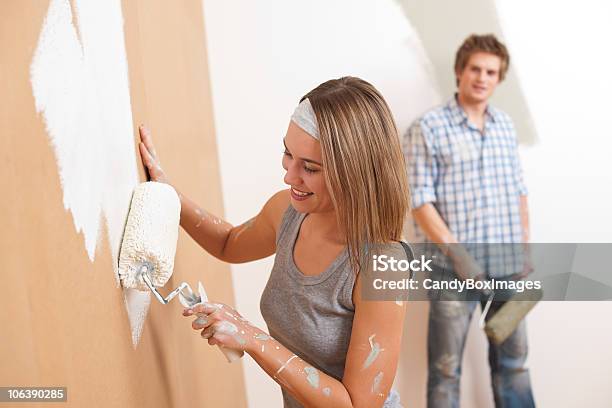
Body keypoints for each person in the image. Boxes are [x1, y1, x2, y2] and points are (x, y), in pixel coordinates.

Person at [139, 77, 413, 407]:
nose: (289, 176)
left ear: (352, 173)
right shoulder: (287, 211)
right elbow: (229, 243)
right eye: (288, 154)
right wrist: (169, 196)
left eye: (309, 168)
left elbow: (356, 404)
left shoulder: (383, 267)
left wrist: (252, 337)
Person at [403, 34, 535, 407]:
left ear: (499, 78)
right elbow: (419, 200)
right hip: (452, 271)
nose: (482, 77)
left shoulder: (505, 127)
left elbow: (520, 191)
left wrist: (525, 251)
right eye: (475, 68)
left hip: (509, 268)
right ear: (460, 71)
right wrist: (461, 257)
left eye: (490, 71)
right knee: (445, 371)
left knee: (514, 364)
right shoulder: (427, 127)